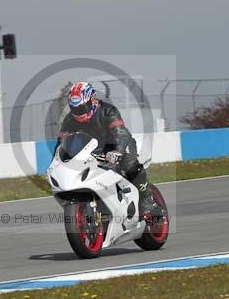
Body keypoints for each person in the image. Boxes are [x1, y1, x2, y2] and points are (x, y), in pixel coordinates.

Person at [57, 81, 155, 217]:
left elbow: (121, 133)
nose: (78, 113)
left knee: (129, 163)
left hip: (117, 145)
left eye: (82, 108)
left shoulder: (108, 111)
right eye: (75, 109)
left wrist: (117, 151)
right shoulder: (69, 120)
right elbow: (61, 143)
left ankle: (146, 199)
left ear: (92, 100)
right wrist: (57, 163)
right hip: (92, 152)